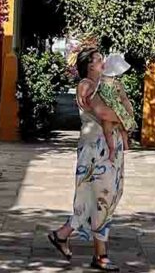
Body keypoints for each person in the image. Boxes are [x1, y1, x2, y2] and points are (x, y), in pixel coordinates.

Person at [48, 46, 128, 271]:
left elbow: (118, 108)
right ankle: (100, 256)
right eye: (98, 59)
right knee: (101, 197)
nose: (103, 61)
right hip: (96, 149)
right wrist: (124, 118)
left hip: (108, 148)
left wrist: (122, 113)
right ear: (89, 65)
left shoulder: (104, 85)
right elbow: (103, 113)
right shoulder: (86, 84)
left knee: (103, 197)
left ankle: (62, 234)